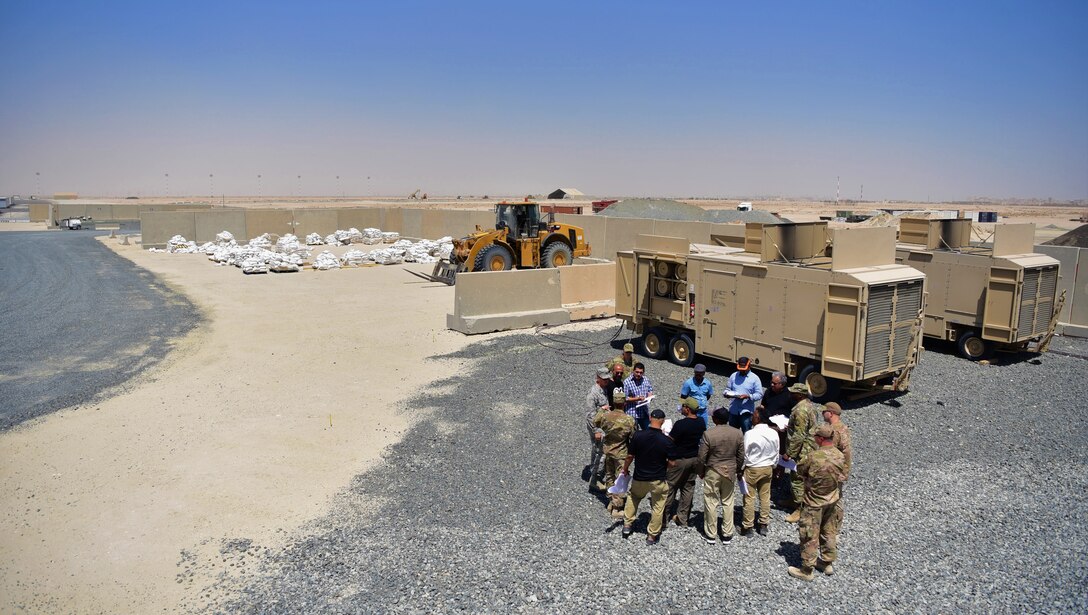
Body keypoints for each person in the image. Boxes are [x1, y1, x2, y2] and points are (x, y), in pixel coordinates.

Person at [788, 425, 847, 581]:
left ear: (820, 438)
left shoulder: (813, 457)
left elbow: (800, 471)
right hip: (832, 499)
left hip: (814, 502)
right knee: (829, 530)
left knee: (809, 533)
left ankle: (807, 569)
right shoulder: (839, 455)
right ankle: (827, 562)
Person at [620, 409, 673, 545]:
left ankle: (627, 525)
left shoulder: (638, 435)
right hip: (658, 479)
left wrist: (625, 469)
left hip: (640, 477)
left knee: (634, 497)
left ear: (650, 418)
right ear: (662, 421)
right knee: (658, 506)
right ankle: (652, 535)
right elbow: (672, 463)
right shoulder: (667, 441)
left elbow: (630, 456)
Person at [698, 408, 745, 544]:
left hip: (713, 469)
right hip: (730, 470)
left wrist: (700, 471)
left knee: (711, 500)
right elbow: (741, 455)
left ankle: (711, 534)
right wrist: (737, 468)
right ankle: (727, 533)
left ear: (716, 419)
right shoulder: (737, 433)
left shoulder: (708, 434)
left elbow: (702, 456)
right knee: (728, 501)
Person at [593, 388, 637, 517]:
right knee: (620, 479)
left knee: (610, 476)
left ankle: (611, 501)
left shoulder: (605, 416)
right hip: (621, 453)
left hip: (608, 451)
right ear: (624, 403)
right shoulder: (629, 420)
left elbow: (595, 421)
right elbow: (633, 437)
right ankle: (617, 508)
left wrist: (602, 409)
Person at [784, 383, 823, 523]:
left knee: (798, 478)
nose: (791, 394)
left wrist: (789, 453)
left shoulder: (800, 410)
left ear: (800, 395)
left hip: (803, 450)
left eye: (793, 392)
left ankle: (800, 508)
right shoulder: (810, 406)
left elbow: (799, 435)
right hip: (809, 446)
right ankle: (794, 500)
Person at [665, 398, 707, 528]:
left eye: (683, 406)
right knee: (688, 488)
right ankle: (683, 519)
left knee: (670, 487)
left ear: (687, 409)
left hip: (679, 460)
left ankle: (663, 518)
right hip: (694, 459)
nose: (681, 408)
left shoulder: (680, 424)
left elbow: (671, 440)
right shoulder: (701, 422)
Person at [740, 408, 779, 537]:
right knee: (765, 496)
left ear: (758, 418)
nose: (752, 417)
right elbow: (776, 450)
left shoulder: (750, 434)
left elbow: (745, 453)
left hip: (753, 468)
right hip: (767, 467)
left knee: (749, 497)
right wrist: (773, 465)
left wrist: (741, 468)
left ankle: (748, 526)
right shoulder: (774, 433)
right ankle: (763, 523)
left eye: (754, 415)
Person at [725, 357, 763, 432]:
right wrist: (726, 394)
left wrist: (749, 396)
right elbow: (727, 389)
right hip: (734, 411)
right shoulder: (733, 376)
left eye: (744, 369)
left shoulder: (755, 378)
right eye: (740, 368)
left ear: (749, 366)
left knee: (747, 433)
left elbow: (759, 394)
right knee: (733, 434)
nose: (741, 370)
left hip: (746, 412)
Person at [822, 402, 852, 482]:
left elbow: (828, 452)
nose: (822, 414)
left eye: (824, 412)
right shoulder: (843, 427)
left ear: (831, 413)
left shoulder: (833, 430)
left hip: (832, 471)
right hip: (840, 468)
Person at [623, 362, 654, 430]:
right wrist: (637, 399)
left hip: (644, 411)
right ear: (633, 371)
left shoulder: (646, 379)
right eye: (637, 372)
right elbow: (625, 398)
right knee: (633, 434)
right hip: (632, 413)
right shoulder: (627, 382)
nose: (639, 374)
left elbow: (650, 389)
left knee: (648, 431)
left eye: (641, 372)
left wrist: (650, 394)